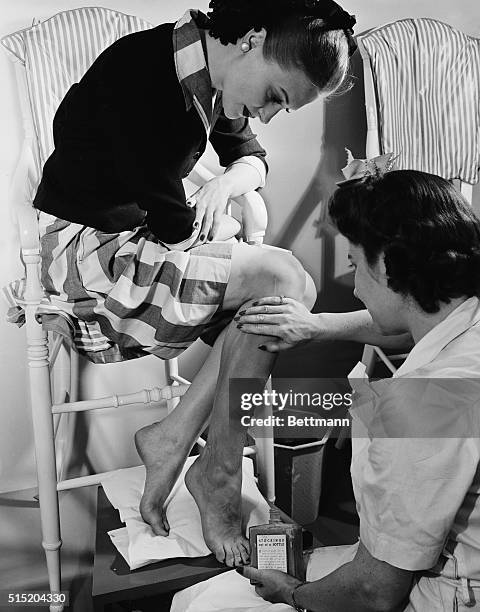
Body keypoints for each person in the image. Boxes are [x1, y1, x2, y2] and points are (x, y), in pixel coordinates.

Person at [32, 0, 407, 567]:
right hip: (87, 258)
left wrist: (229, 179)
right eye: (278, 97)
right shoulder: (144, 75)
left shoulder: (205, 72)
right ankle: (213, 464)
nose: (270, 115)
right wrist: (217, 219)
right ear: (250, 38)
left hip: (138, 238)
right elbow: (170, 216)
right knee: (283, 280)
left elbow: (251, 155)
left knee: (280, 291)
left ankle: (189, 444)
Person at [171, 167, 480, 610]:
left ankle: (201, 464)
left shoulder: (419, 404)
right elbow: (411, 323)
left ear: (389, 265)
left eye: (354, 264)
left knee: (202, 602)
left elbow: (375, 591)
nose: (354, 287)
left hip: (448, 596)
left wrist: (293, 594)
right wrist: (315, 327)